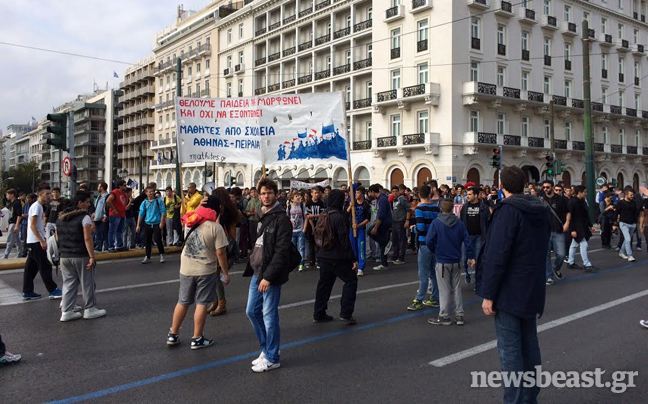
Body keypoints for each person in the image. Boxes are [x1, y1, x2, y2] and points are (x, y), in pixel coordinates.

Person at [476, 165, 551, 404]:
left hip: (509, 292)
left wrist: (488, 294)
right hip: (532, 287)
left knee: (510, 353)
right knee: (530, 348)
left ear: (502, 187)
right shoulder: (540, 209)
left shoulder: (508, 211)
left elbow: (497, 255)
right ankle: (530, 398)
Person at [167, 195, 230, 349]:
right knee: (201, 303)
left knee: (182, 301)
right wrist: (225, 273)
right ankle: (197, 338)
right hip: (205, 269)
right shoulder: (216, 228)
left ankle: (173, 334)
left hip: (186, 267)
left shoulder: (190, 221)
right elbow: (220, 253)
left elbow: (194, 214)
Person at [244, 178, 292, 372]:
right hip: (257, 271)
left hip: (270, 275)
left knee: (269, 315)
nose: (266, 196)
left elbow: (281, 251)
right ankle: (266, 349)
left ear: (276, 194)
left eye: (269, 193)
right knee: (251, 311)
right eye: (263, 193)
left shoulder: (282, 219)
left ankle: (273, 357)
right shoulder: (262, 215)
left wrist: (268, 277)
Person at [56, 191, 106, 322]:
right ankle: (90, 309)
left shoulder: (61, 217)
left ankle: (66, 311)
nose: (89, 204)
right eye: (87, 202)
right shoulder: (85, 217)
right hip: (80, 254)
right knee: (88, 283)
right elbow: (87, 238)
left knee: (68, 284)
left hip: (64, 255)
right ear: (80, 203)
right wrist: (92, 257)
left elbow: (57, 237)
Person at [313, 189, 359, 324]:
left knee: (324, 284)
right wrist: (353, 258)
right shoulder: (338, 216)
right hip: (338, 256)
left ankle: (319, 313)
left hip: (323, 254)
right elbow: (344, 241)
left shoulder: (323, 214)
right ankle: (346, 313)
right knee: (351, 281)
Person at [426, 200, 474, 326]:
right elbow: (467, 240)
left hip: (442, 259)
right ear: (453, 209)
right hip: (456, 259)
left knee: (444, 289)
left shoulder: (436, 223)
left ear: (441, 209)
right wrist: (470, 255)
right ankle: (459, 315)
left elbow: (429, 240)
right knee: (457, 288)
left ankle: (444, 316)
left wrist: (435, 250)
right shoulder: (459, 223)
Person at [207, 187, 242, 317]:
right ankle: (216, 301)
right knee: (214, 274)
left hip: (225, 245)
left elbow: (217, 226)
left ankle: (221, 304)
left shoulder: (223, 212)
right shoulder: (229, 209)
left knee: (216, 274)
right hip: (228, 244)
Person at [23, 185, 62, 300]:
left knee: (31, 268)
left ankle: (27, 291)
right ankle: (53, 290)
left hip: (33, 240)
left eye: (50, 193)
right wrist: (41, 240)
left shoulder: (39, 206)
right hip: (36, 241)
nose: (49, 196)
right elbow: (33, 225)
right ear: (40, 194)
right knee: (45, 266)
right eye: (47, 194)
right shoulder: (37, 207)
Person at [407, 185, 440, 311]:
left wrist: (413, 228)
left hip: (424, 243)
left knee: (423, 274)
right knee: (433, 273)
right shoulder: (437, 208)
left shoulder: (419, 209)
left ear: (420, 195)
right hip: (435, 243)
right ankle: (435, 298)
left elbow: (421, 228)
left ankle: (419, 299)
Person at [540, 180, 570, 286]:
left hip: (558, 230)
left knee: (561, 254)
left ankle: (556, 267)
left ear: (552, 187)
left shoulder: (561, 200)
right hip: (544, 231)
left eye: (547, 187)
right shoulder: (540, 199)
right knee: (546, 255)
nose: (545, 189)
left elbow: (568, 212)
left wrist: (567, 223)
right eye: (543, 187)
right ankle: (549, 276)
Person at [459, 186, 490, 284]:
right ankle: (467, 274)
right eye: (467, 194)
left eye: (469, 194)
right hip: (466, 236)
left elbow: (487, 221)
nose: (467, 196)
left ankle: (477, 279)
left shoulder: (483, 207)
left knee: (477, 258)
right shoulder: (465, 207)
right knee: (464, 258)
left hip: (479, 236)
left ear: (476, 195)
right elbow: (461, 220)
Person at [566, 186, 597, 272]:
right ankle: (586, 264)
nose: (586, 193)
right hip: (576, 227)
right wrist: (572, 230)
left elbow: (585, 215)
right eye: (585, 192)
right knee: (584, 244)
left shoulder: (582, 201)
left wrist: (590, 225)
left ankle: (570, 262)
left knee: (574, 244)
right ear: (579, 192)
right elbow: (569, 217)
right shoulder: (572, 202)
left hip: (582, 226)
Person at [137, 186, 166, 264]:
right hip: (148, 223)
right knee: (147, 241)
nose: (151, 193)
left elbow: (163, 211)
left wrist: (162, 222)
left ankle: (161, 254)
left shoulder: (158, 201)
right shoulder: (144, 202)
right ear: (146, 193)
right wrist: (138, 225)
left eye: (152, 191)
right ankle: (148, 256)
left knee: (158, 239)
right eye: (149, 192)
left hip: (157, 223)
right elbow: (141, 214)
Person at [367, 184, 392, 270]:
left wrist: (375, 227)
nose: (369, 195)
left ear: (372, 192)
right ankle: (383, 263)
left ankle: (386, 243)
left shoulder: (382, 199)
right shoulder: (380, 199)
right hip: (383, 222)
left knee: (369, 231)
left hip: (384, 223)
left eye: (369, 193)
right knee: (382, 245)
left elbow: (381, 215)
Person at [348, 186, 370, 276]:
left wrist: (359, 225)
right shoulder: (353, 203)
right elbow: (346, 213)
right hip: (352, 228)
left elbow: (367, 219)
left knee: (361, 247)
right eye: (355, 193)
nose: (356, 194)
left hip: (360, 229)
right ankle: (354, 264)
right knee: (353, 247)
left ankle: (361, 267)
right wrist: (350, 206)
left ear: (362, 194)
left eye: (357, 193)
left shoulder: (365, 205)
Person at [616, 187, 642, 263]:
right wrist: (614, 223)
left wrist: (636, 222)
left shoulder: (633, 203)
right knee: (628, 239)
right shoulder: (620, 203)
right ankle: (630, 255)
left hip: (632, 223)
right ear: (626, 195)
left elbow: (635, 213)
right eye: (630, 195)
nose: (632, 196)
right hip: (623, 223)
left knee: (627, 239)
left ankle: (621, 252)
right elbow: (617, 212)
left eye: (632, 195)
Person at [305, 186, 326, 269]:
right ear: (311, 194)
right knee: (311, 244)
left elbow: (322, 214)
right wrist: (313, 227)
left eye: (317, 193)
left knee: (319, 244)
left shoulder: (321, 203)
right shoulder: (308, 203)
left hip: (319, 225)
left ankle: (319, 261)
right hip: (311, 226)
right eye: (315, 193)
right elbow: (308, 216)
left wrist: (314, 216)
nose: (316, 195)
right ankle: (311, 261)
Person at [390, 184, 411, 265]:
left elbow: (408, 209)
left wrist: (407, 220)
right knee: (395, 239)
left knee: (401, 239)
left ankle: (401, 257)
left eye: (396, 191)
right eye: (393, 192)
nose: (395, 193)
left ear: (399, 192)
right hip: (394, 221)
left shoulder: (402, 199)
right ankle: (395, 255)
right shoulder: (393, 200)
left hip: (401, 221)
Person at [287, 192, 307, 272]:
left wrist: (304, 229)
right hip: (292, 231)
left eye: (299, 196)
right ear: (292, 199)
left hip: (300, 230)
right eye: (296, 196)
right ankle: (294, 264)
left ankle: (301, 264)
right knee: (293, 248)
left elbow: (306, 218)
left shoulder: (302, 206)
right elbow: (287, 219)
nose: (298, 197)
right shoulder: (289, 207)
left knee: (301, 248)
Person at [106, 180, 128, 252]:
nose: (126, 187)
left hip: (122, 214)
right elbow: (108, 201)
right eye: (124, 185)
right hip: (115, 215)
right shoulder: (115, 192)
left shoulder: (123, 194)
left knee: (119, 231)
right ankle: (111, 246)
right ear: (120, 186)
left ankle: (119, 245)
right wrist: (114, 209)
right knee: (112, 230)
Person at [4, 189, 24, 259]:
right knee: (17, 239)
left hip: (15, 223)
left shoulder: (17, 203)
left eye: (7, 194)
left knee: (10, 239)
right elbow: (11, 215)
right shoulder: (11, 204)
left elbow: (19, 215)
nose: (6, 196)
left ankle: (6, 255)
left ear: (12, 194)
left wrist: (16, 225)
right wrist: (8, 224)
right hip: (12, 223)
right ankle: (20, 253)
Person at [93, 182, 109, 252]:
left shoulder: (107, 196)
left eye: (98, 186)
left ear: (102, 188)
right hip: (97, 218)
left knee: (104, 234)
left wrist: (106, 216)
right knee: (98, 234)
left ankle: (106, 247)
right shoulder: (99, 196)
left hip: (103, 218)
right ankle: (98, 247)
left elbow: (107, 207)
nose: (98, 188)